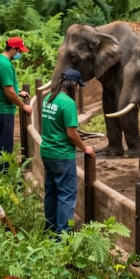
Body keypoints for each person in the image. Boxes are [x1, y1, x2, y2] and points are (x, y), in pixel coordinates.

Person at [40, 68, 95, 235]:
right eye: (78, 86)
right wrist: (85, 148)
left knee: (51, 192)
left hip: (47, 151)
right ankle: (62, 236)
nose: (78, 89)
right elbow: (71, 133)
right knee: (66, 195)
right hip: (62, 155)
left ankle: (49, 230)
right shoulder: (68, 103)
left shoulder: (49, 98)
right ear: (73, 84)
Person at [0, 36, 33, 171]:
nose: (21, 54)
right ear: (13, 49)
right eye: (20, 51)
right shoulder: (5, 65)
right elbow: (8, 92)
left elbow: (2, 84)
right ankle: (1, 177)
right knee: (5, 146)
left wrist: (17, 90)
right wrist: (24, 106)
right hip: (3, 110)